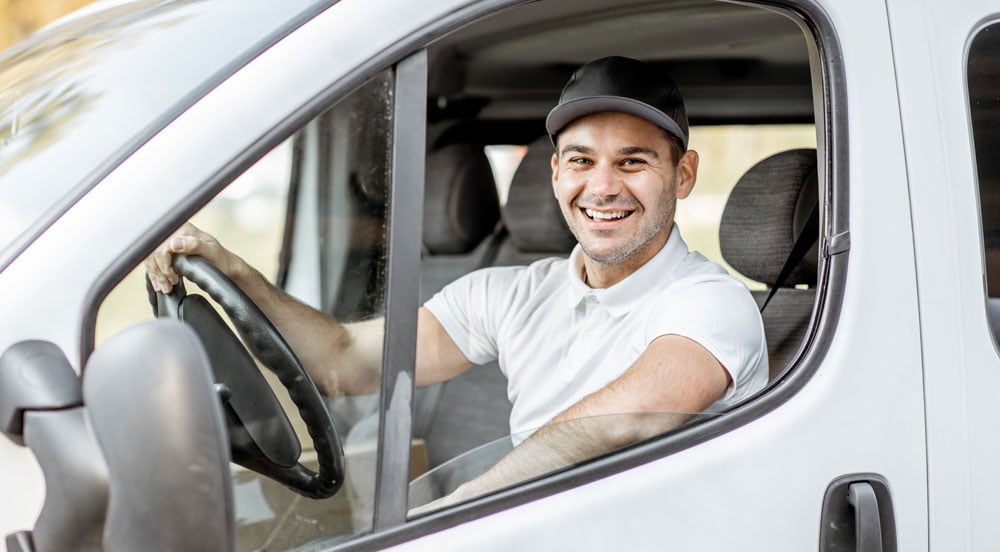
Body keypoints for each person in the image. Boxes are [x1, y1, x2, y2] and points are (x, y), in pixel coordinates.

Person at [146, 56, 767, 514]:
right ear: (555, 174)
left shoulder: (711, 302)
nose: (602, 187)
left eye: (633, 161)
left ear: (683, 175)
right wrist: (233, 269)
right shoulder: (510, 293)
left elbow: (610, 427)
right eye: (581, 159)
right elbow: (341, 362)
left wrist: (451, 519)